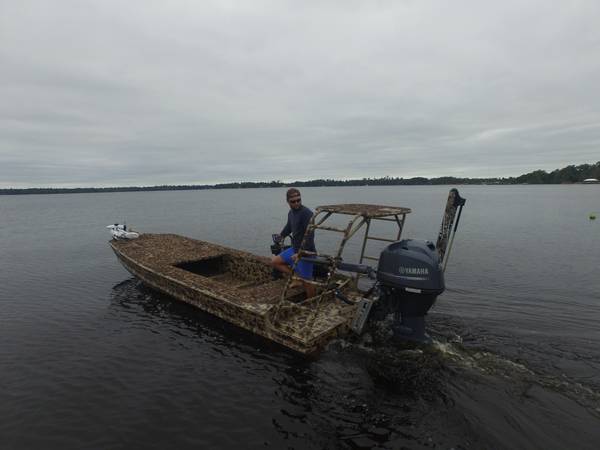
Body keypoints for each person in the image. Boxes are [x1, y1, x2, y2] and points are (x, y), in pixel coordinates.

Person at [271, 188, 316, 298]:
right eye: (293, 201)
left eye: (298, 200)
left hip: (306, 252)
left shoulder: (307, 213)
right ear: (288, 201)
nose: (296, 203)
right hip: (294, 248)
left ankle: (312, 303)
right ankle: (296, 276)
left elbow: (310, 235)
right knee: (275, 262)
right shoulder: (291, 213)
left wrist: (301, 253)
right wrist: (281, 235)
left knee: (307, 283)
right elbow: (289, 227)